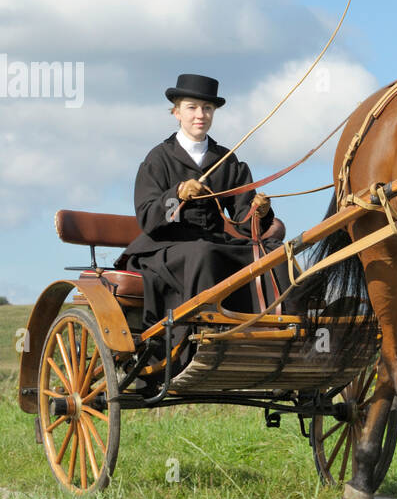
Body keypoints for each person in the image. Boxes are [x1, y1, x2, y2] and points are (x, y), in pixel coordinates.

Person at [116, 74, 286, 334]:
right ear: (176, 112)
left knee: (275, 251)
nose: (200, 115)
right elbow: (148, 218)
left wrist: (260, 211)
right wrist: (178, 194)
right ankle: (202, 333)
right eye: (192, 107)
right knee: (205, 252)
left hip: (213, 243)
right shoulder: (158, 159)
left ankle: (280, 328)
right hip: (165, 247)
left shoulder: (226, 160)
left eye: (207, 108)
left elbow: (243, 222)